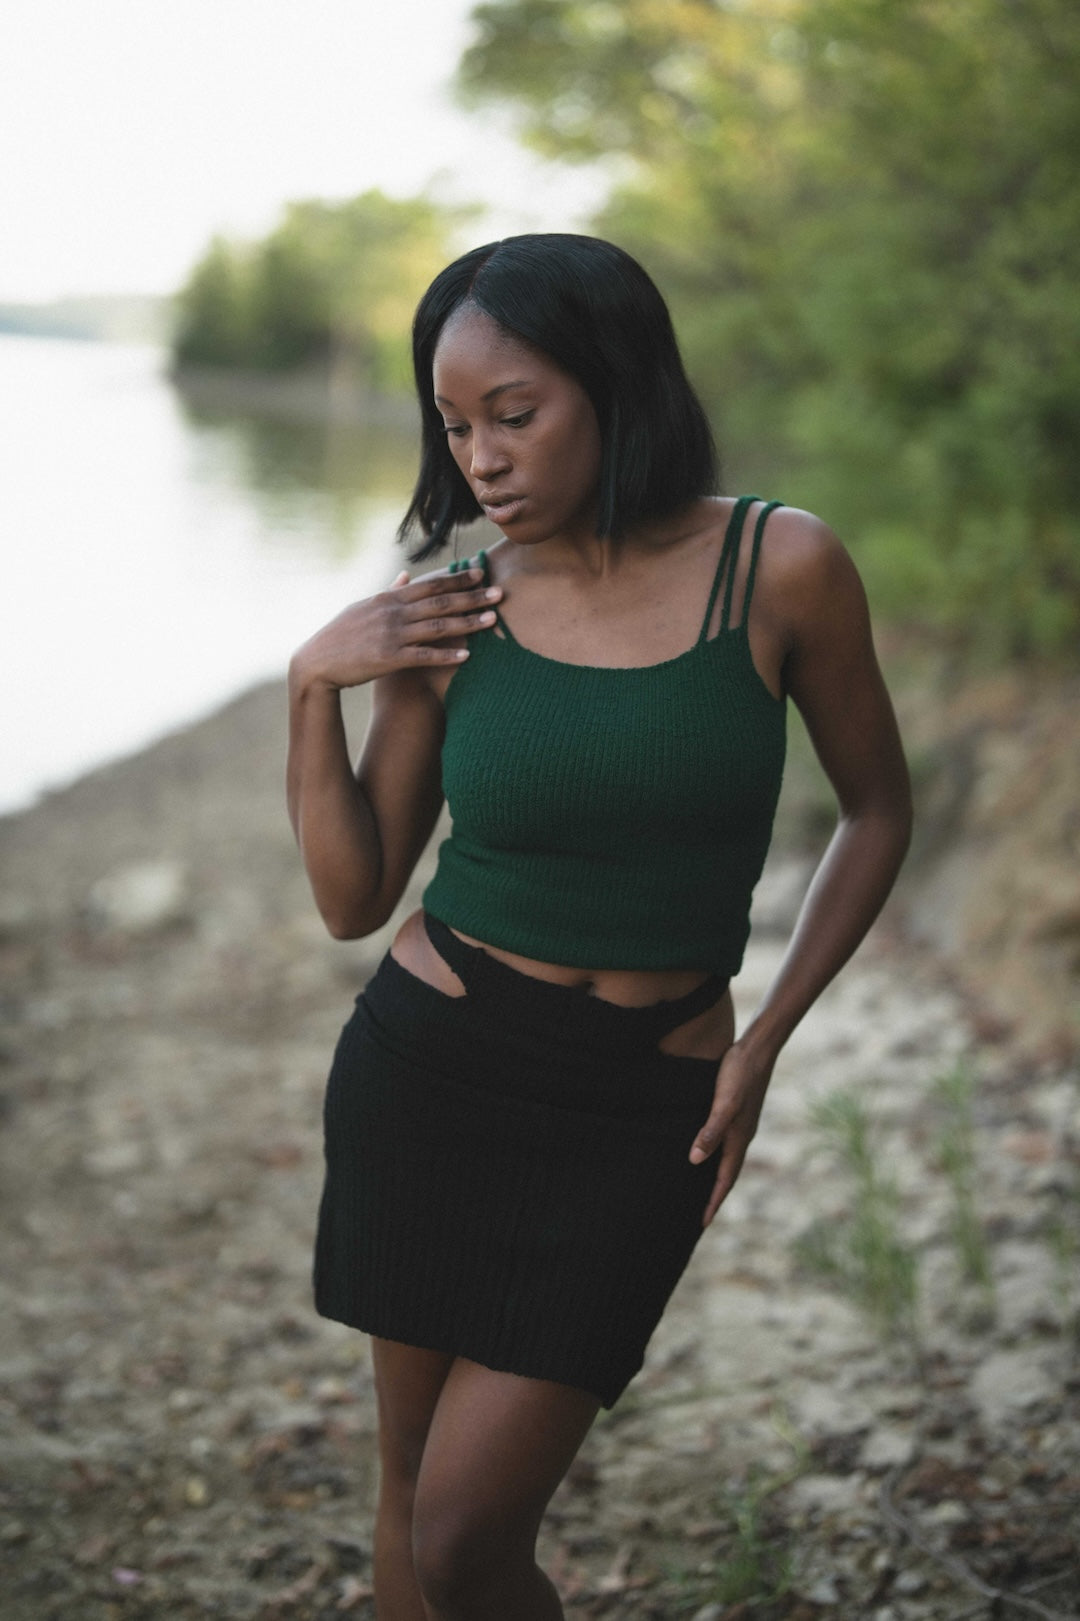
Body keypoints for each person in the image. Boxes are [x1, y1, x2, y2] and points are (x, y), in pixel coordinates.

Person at [286, 233, 912, 1621]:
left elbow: (875, 812)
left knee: (463, 1534)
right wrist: (308, 686)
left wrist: (767, 1040)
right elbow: (350, 896)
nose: (481, 457)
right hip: (431, 1071)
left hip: (648, 1101)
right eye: (455, 425)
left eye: (515, 413)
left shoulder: (783, 565)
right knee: (403, 1494)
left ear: (618, 381)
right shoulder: (459, 596)